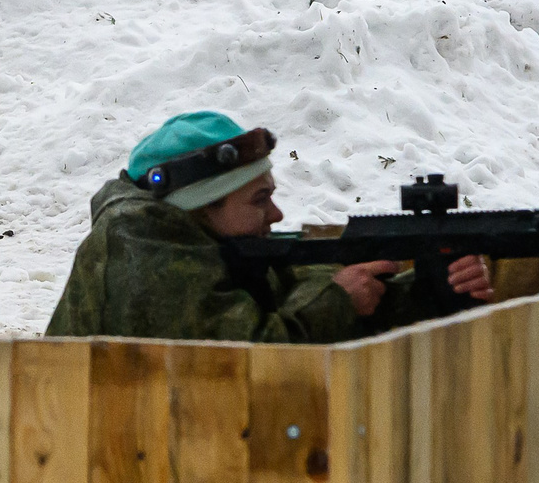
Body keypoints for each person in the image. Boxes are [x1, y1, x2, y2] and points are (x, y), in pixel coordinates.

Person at [45, 110, 493, 342]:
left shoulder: (214, 244)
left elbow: (292, 300)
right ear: (200, 207)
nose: (276, 215)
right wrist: (338, 300)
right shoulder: (142, 252)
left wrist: (433, 289)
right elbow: (251, 356)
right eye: (259, 200)